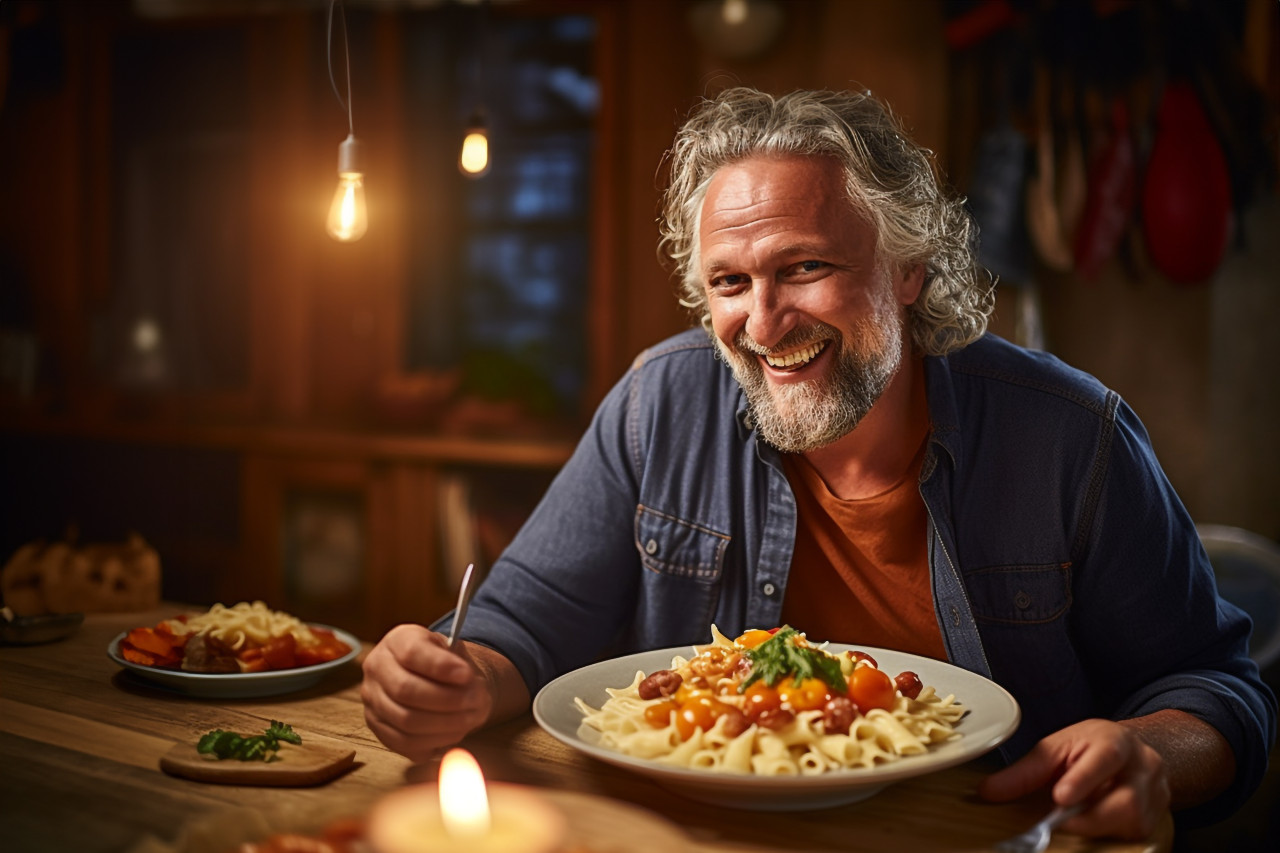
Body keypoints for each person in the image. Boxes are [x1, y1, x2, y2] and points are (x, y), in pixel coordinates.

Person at [361, 87, 1275, 839]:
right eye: (729, 281)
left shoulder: (1075, 436)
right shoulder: (658, 402)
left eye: (803, 268)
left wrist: (1150, 752)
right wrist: (457, 678)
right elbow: (521, 624)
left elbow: (1216, 687)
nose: (762, 324)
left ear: (907, 268)